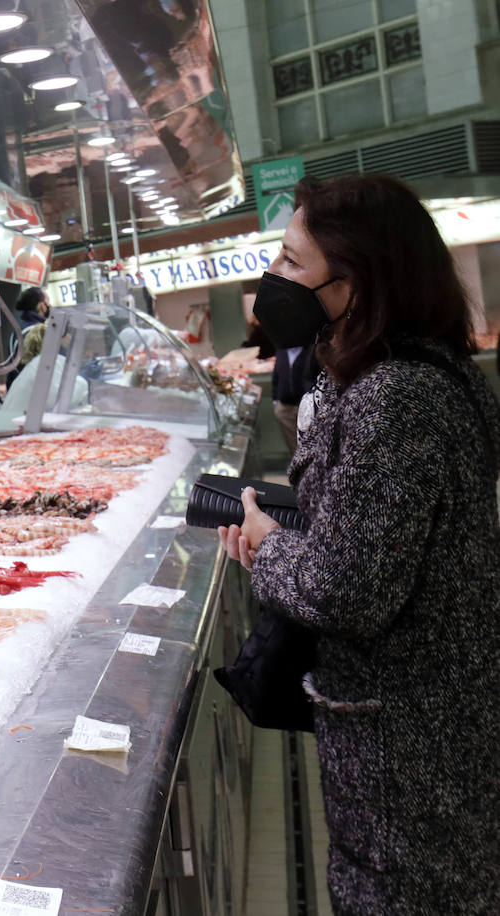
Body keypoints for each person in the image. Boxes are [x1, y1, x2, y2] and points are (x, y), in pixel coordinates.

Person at [218, 175, 500, 914]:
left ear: (355, 281)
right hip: (424, 714)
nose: (272, 280)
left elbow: (350, 589)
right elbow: (386, 537)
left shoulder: (396, 396)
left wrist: (270, 546)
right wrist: (288, 536)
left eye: (290, 261)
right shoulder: (416, 371)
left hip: (410, 738)